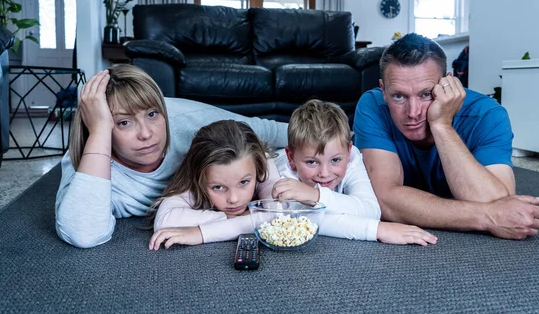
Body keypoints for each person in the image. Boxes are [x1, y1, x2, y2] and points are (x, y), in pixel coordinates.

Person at [55, 65, 288, 248]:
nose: (146, 134)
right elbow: (82, 234)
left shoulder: (186, 121)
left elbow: (268, 131)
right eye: (124, 122)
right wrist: (99, 132)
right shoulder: (88, 160)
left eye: (153, 114)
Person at [353, 33, 539, 240]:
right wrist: (487, 217)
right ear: (383, 90)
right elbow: (385, 200)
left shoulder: (487, 114)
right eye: (399, 96)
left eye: (426, 94)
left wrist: (442, 125)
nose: (413, 112)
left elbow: (498, 199)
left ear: (448, 83)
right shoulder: (373, 105)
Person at [271, 99, 438, 245]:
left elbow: (370, 210)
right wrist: (377, 230)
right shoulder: (282, 175)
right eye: (312, 162)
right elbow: (305, 220)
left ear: (349, 151)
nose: (324, 173)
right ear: (291, 158)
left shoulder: (352, 158)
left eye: (335, 160)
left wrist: (316, 195)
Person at [149, 120, 276, 250]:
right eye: (218, 187)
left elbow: (277, 216)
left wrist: (201, 233)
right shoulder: (197, 178)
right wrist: (230, 217)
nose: (233, 199)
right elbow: (164, 221)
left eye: (244, 182)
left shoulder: (262, 162)